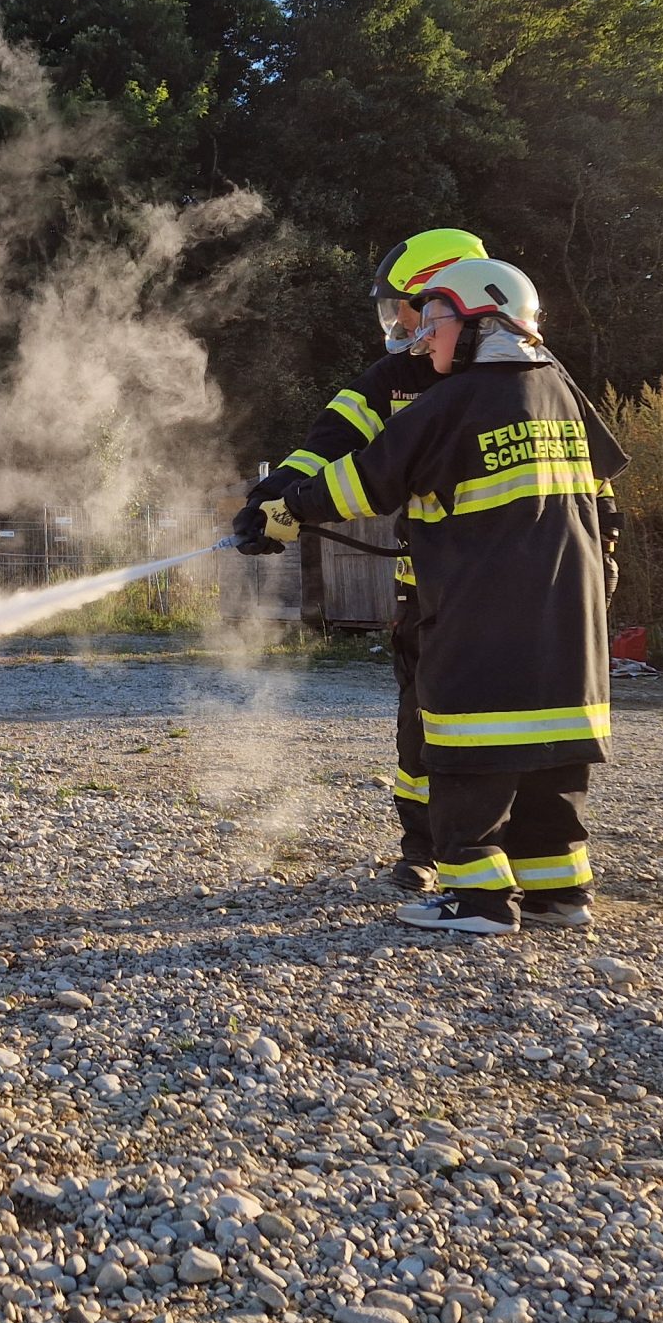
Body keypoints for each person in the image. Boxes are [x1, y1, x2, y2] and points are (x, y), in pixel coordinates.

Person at [263, 259, 627, 936]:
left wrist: (286, 511)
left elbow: (364, 482)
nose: (423, 338)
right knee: (553, 752)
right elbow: (605, 494)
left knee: (467, 750)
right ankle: (559, 894)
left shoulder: (452, 404)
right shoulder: (565, 392)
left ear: (484, 318)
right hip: (568, 616)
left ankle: (477, 899)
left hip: (482, 610)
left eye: (434, 322)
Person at [233, 226, 486, 893]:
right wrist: (268, 499)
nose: (402, 322)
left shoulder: (519, 376)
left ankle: (514, 860)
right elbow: (328, 445)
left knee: (512, 728)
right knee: (421, 731)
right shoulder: (394, 380)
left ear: (445, 296)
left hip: (515, 592)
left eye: (407, 304)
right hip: (426, 594)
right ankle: (425, 852)